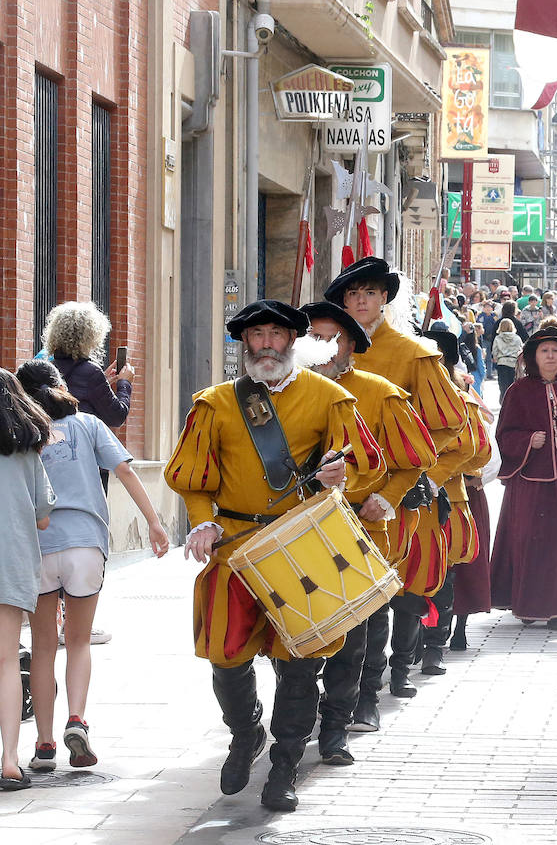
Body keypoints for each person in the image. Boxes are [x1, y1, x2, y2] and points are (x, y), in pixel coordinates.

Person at [163, 299, 383, 811]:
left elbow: (366, 466)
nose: (266, 344)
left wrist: (341, 477)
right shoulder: (215, 403)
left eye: (276, 336)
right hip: (236, 546)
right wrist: (203, 520)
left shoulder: (329, 399)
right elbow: (193, 477)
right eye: (257, 335)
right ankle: (245, 732)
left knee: (301, 665)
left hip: (303, 547)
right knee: (224, 654)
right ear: (245, 344)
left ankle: (283, 768)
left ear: (292, 342)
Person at [324, 258, 485, 727]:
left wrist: (419, 477)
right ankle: (333, 696)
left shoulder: (415, 354)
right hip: (328, 495)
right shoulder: (317, 354)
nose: (361, 302)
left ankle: (374, 691)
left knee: (391, 594)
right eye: (352, 295)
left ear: (384, 299)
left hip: (392, 498)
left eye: (369, 293)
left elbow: (454, 428)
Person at [299, 301, 437, 766]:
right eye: (312, 337)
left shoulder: (379, 392)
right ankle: (293, 719)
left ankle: (348, 715)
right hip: (298, 533)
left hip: (363, 524)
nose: (321, 348)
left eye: (331, 338)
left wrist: (392, 495)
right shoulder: (282, 395)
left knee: (362, 622)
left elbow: (415, 456)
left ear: (351, 345)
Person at [16, 360, 169, 774]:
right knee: (79, 641)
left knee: (45, 646)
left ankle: (44, 744)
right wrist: (154, 523)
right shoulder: (89, 425)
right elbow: (124, 471)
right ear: (61, 385)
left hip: (39, 546)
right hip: (86, 545)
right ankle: (77, 720)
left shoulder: (22, 434)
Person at [490, 328, 557, 628]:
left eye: (556, 351)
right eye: (544, 351)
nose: (550, 356)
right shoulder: (518, 391)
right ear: (534, 357)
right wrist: (526, 441)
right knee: (528, 540)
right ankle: (528, 605)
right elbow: (503, 434)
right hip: (529, 479)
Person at [414, 328, 492, 675]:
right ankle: (408, 646)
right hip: (401, 498)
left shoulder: (463, 398)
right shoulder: (402, 394)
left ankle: (435, 646)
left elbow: (478, 455)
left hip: (447, 497)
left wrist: (440, 465)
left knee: (443, 576)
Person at [0, 370, 56, 791]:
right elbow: (42, 517)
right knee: (4, 662)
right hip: (11, 562)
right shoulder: (27, 454)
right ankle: (10, 762)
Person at [41, 302, 135, 433]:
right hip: (78, 445)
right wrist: (124, 383)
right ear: (91, 336)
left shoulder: (45, 368)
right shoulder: (91, 372)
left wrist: (104, 382)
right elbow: (116, 417)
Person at [492, 319, 523, 400]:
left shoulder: (498, 338)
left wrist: (495, 358)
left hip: (502, 362)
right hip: (513, 363)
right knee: (512, 385)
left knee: (503, 386)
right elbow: (520, 350)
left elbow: (494, 351)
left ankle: (504, 401)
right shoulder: (517, 338)